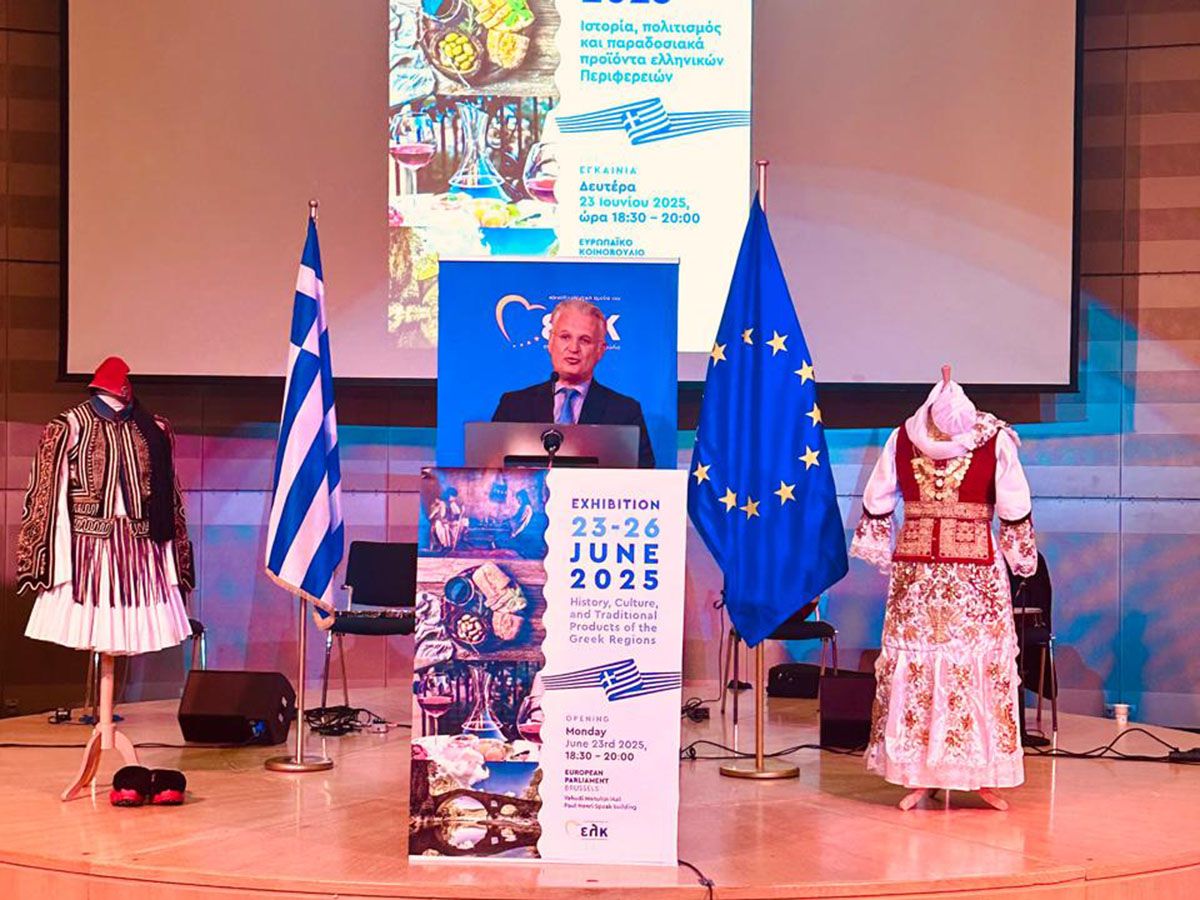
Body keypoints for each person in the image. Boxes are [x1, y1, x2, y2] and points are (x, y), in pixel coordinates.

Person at [849, 370, 1038, 811]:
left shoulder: (912, 437)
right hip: (946, 576)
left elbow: (878, 498)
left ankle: (960, 772)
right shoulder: (986, 438)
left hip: (946, 577)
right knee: (937, 664)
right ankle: (927, 771)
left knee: (954, 663)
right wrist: (1020, 555)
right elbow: (1015, 505)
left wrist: (880, 541)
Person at [491, 298, 656, 469]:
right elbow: (488, 472)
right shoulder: (514, 406)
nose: (573, 348)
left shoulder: (624, 413)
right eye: (565, 337)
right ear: (550, 343)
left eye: (584, 340)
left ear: (600, 350)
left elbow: (644, 476)